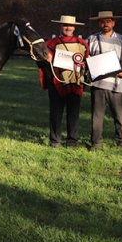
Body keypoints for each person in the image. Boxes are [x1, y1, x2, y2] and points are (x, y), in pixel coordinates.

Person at [87, 11, 122, 150]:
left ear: (113, 23)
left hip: (116, 83)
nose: (105, 24)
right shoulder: (91, 39)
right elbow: (85, 57)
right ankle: (96, 143)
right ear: (99, 23)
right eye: (102, 21)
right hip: (98, 84)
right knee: (97, 116)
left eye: (108, 21)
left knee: (119, 116)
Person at [38, 15, 89, 148]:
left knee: (73, 112)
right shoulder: (50, 43)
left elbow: (88, 60)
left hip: (75, 81)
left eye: (70, 25)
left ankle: (72, 140)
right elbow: (40, 62)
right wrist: (45, 60)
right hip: (56, 81)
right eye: (65, 25)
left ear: (74, 27)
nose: (68, 28)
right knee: (56, 112)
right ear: (61, 26)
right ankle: (55, 140)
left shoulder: (82, 44)